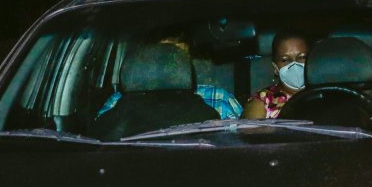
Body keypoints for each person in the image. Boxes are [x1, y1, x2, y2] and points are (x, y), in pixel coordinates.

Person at [98, 36, 242, 120]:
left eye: (178, 59)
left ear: (188, 64)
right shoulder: (117, 102)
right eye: (163, 58)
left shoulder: (218, 98)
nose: (169, 66)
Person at [243, 30, 309, 119]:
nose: (295, 65)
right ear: (275, 67)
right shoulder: (262, 101)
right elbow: (251, 131)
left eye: (302, 57)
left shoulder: (326, 94)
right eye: (285, 60)